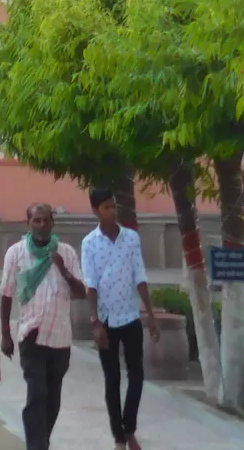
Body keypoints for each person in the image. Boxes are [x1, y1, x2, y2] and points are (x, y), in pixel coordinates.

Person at [0, 203, 86, 450]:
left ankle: (42, 441)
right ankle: (36, 445)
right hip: (32, 335)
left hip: (60, 338)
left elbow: (81, 292)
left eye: (46, 220)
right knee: (37, 393)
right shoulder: (15, 253)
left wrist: (62, 268)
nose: (41, 225)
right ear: (28, 223)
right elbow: (6, 295)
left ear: (53, 223)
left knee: (53, 399)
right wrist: (6, 335)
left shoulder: (66, 253)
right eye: (36, 220)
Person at [81, 188, 159, 450]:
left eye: (113, 206)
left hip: (130, 316)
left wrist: (149, 314)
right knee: (112, 379)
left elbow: (140, 276)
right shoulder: (89, 243)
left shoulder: (131, 238)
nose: (111, 211)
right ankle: (119, 437)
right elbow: (90, 284)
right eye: (105, 207)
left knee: (137, 375)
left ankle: (130, 428)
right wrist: (95, 322)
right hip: (106, 319)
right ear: (95, 210)